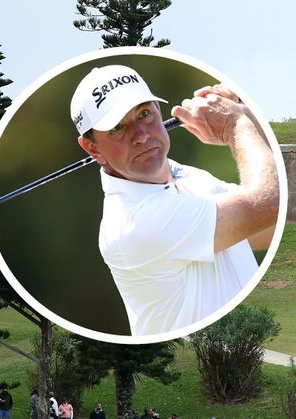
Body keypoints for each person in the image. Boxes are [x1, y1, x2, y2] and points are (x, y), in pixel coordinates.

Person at [70, 65, 277, 336]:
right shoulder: (134, 223)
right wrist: (235, 124)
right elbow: (268, 204)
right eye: (117, 128)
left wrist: (244, 112)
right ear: (92, 147)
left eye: (144, 114)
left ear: (158, 108)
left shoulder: (187, 176)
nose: (141, 135)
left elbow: (269, 226)